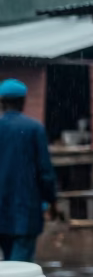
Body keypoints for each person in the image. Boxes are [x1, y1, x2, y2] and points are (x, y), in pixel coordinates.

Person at [0, 79, 57, 262]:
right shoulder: (34, 129)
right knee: (19, 266)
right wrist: (52, 201)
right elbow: (45, 171)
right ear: (23, 102)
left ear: (1, 102)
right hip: (26, 211)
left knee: (8, 262)